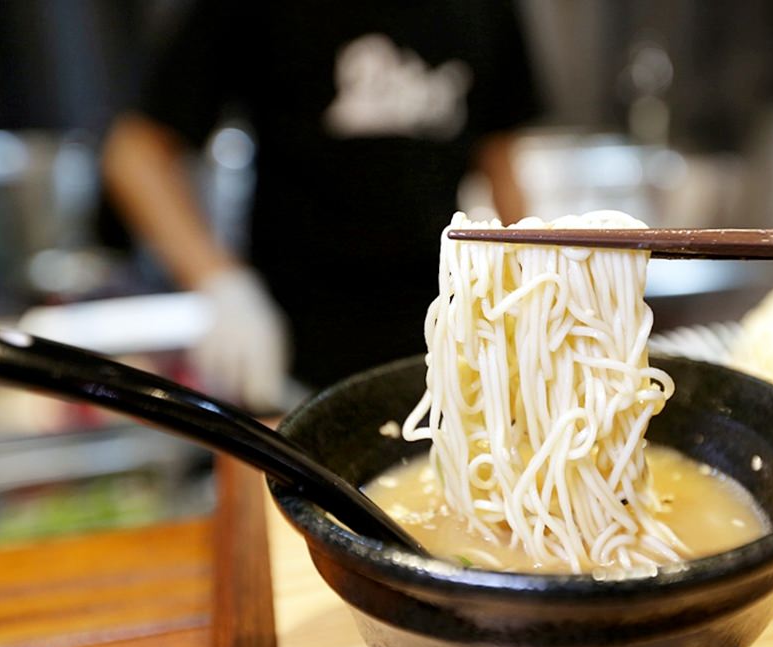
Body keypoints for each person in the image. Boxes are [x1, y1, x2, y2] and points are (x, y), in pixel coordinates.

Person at [103, 0, 538, 411]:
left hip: (444, 344)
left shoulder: (487, 7)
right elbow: (136, 154)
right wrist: (221, 284)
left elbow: (500, 161)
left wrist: (527, 293)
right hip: (296, 350)